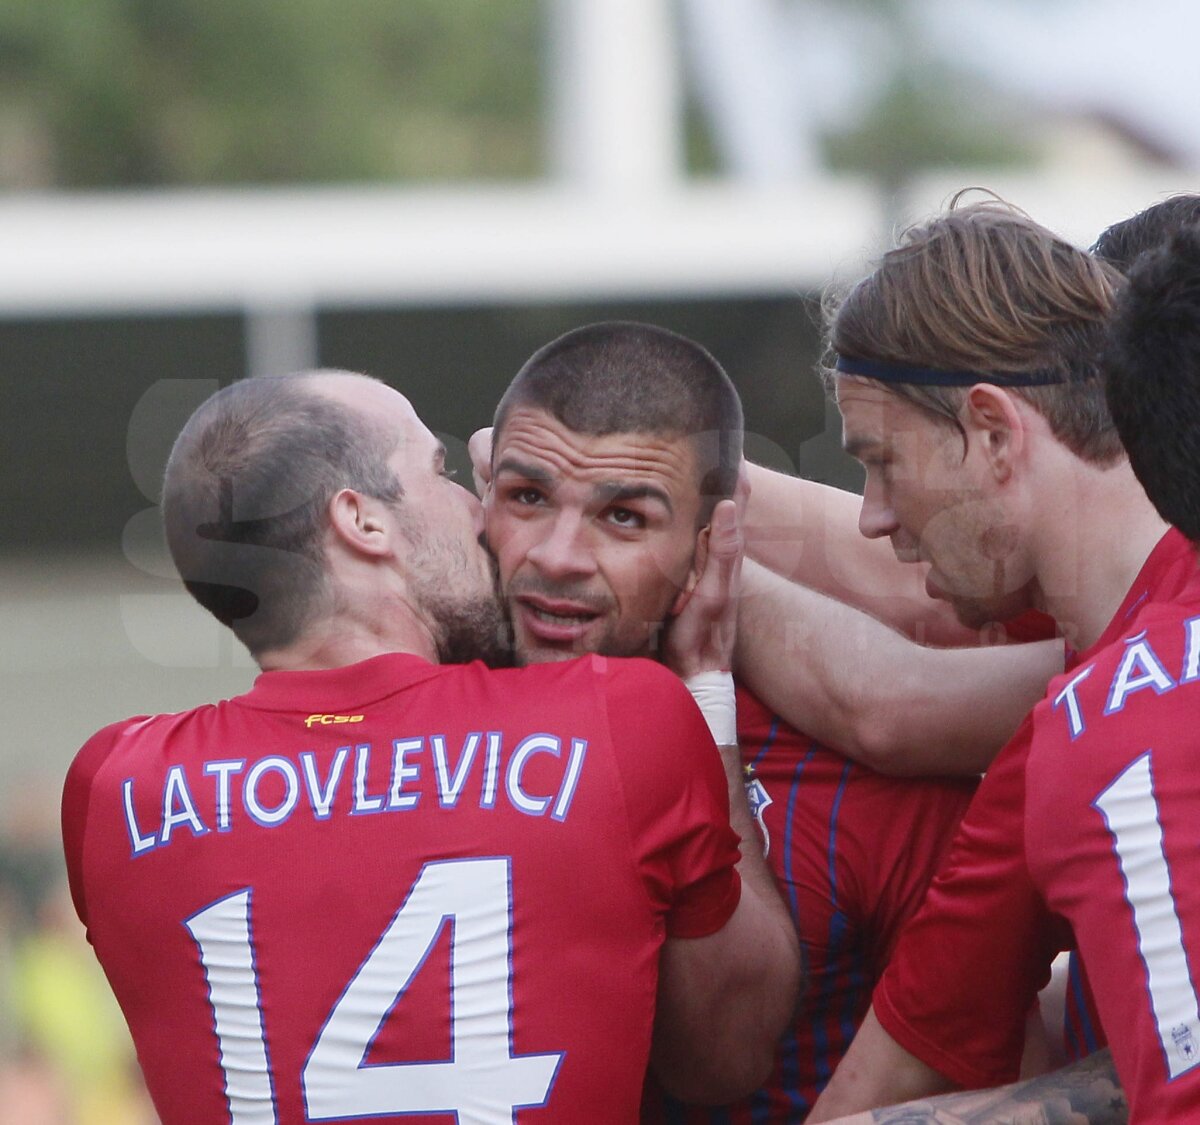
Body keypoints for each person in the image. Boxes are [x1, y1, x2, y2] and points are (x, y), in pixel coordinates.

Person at [60, 370, 801, 1125]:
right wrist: (705, 685)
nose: (482, 513)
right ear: (363, 521)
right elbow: (726, 1057)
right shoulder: (614, 715)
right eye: (442, 472)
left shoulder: (115, 786)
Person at [473, 321, 989, 1122]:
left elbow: (988, 1082)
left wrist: (705, 700)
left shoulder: (871, 786)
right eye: (528, 497)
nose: (559, 555)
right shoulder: (399, 722)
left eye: (625, 517)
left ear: (714, 537)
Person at [792, 199, 1200, 1124]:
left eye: (881, 461)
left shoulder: (1085, 722)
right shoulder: (1077, 685)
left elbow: (884, 700)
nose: (873, 514)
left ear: (991, 430)